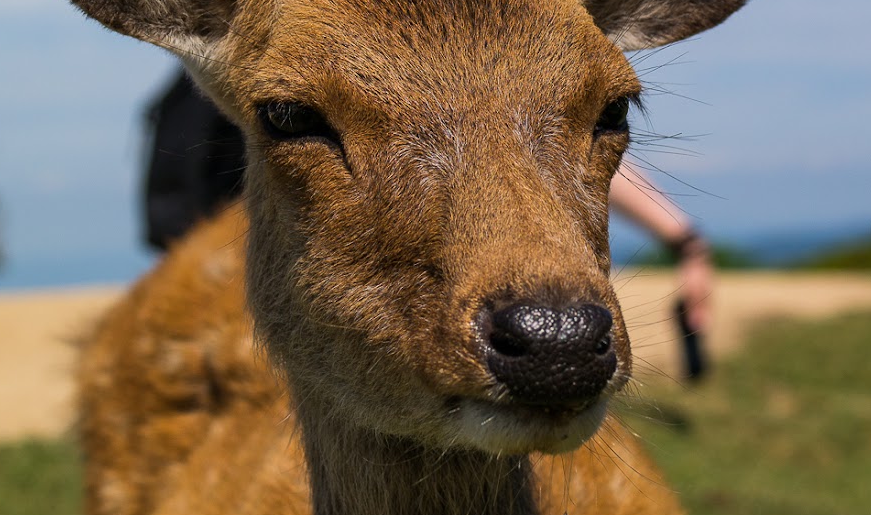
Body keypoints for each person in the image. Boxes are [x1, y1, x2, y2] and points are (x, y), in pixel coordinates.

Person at [142, 70, 714, 380]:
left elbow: (545, 146)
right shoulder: (261, 64)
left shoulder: (465, 83)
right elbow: (176, 212)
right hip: (235, 274)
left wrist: (683, 239)